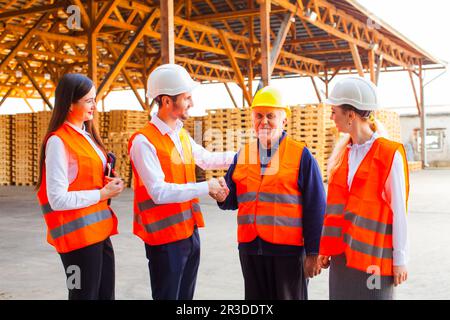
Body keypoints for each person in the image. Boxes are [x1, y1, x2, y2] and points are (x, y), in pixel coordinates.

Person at [128, 63, 234, 300]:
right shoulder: (143, 142)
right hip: (164, 241)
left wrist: (247, 156)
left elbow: (206, 159)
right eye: (186, 98)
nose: (191, 103)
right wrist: (206, 187)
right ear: (167, 101)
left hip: (188, 233)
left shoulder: (180, 134)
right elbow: (159, 192)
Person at [215, 86, 326, 300]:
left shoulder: (300, 155)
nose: (263, 121)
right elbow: (232, 198)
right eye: (258, 116)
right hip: (250, 249)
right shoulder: (244, 155)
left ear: (284, 121)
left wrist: (313, 253)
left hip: (288, 253)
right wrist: (221, 197)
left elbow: (316, 206)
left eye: (270, 116)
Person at [318, 76, 409, 300]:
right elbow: (334, 209)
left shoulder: (389, 154)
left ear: (350, 115)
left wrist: (400, 260)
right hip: (342, 258)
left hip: (374, 260)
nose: (332, 117)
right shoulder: (342, 155)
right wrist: (326, 247)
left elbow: (399, 212)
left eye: (334, 111)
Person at [36, 73, 125, 300]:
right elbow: (57, 199)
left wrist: (107, 183)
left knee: (105, 296)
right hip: (76, 241)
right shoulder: (58, 141)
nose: (94, 106)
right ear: (69, 104)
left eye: (94, 99)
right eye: (88, 100)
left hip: (98, 233)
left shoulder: (86, 136)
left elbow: (85, 178)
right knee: (81, 295)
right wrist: (101, 193)